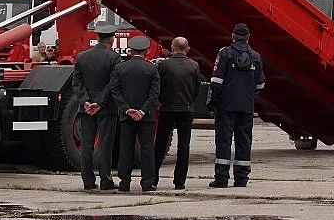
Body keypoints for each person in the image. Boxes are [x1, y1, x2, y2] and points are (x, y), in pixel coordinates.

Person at [207, 23, 265, 188]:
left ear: (233, 36)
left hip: (226, 106)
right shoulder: (255, 56)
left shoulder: (225, 53)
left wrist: (212, 103)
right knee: (244, 141)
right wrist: (247, 94)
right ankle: (241, 178)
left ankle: (221, 178)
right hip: (246, 106)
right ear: (248, 37)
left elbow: (216, 81)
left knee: (223, 141)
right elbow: (260, 84)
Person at [71, 25, 121, 191]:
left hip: (85, 109)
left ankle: (88, 181)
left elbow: (77, 83)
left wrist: (86, 101)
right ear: (111, 40)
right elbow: (113, 84)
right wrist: (99, 103)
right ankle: (106, 180)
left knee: (87, 145)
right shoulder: (114, 58)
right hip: (106, 109)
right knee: (105, 144)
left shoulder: (82, 57)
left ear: (98, 38)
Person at [110, 35, 160, 192]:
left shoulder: (120, 68)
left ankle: (124, 182)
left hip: (126, 116)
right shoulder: (152, 69)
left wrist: (127, 109)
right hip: (147, 116)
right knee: (147, 148)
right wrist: (143, 111)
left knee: (126, 148)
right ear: (146, 51)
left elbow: (115, 90)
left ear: (131, 51)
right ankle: (147, 183)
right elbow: (154, 93)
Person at [153, 37, 205, 190]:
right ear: (187, 49)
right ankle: (179, 181)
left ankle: (153, 178)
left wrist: (161, 101)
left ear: (172, 48)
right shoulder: (194, 66)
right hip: (186, 109)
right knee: (184, 146)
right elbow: (197, 89)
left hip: (167, 108)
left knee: (160, 145)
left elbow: (158, 86)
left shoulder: (164, 65)